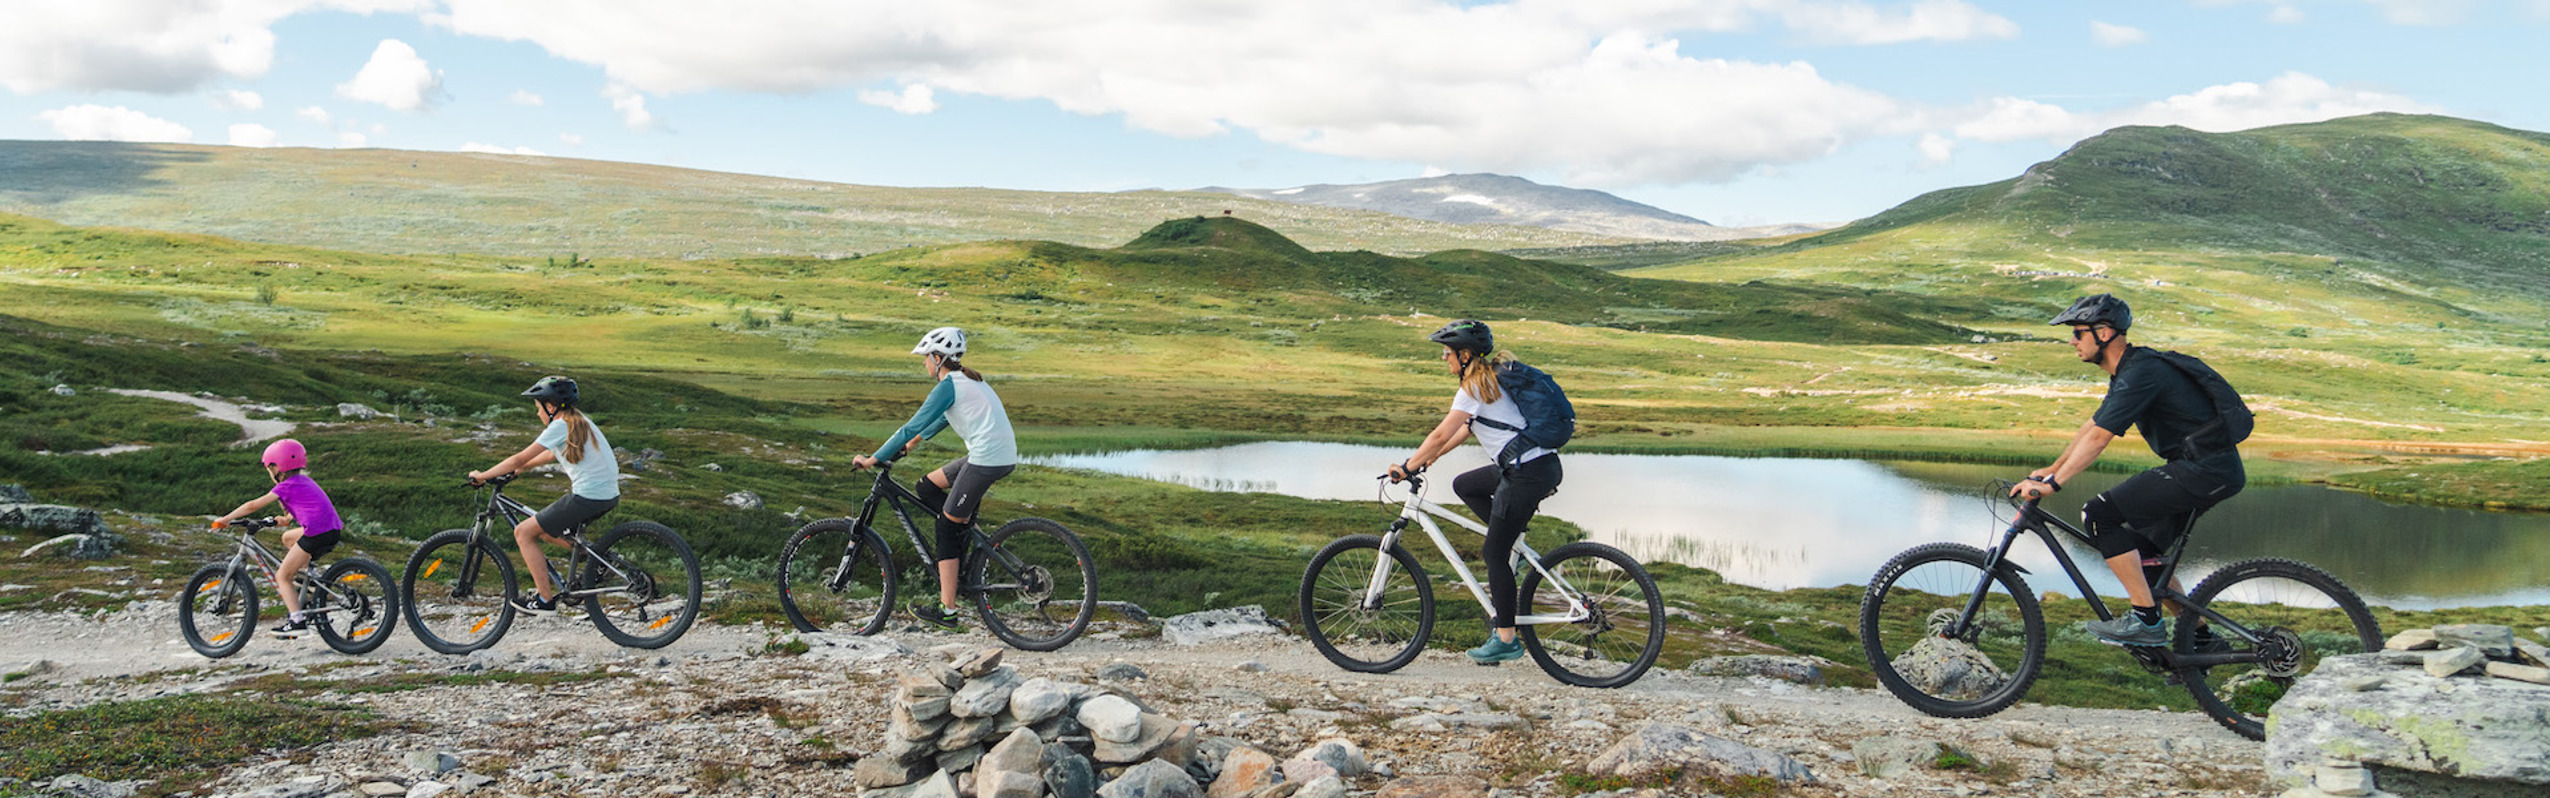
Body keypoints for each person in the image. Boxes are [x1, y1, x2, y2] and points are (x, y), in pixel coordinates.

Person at [2011, 294, 2244, 647]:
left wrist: (2056, 485)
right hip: (2205, 470)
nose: (2072, 342)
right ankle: (2201, 639)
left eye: (2077, 333)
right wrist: (2052, 469)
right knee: (2142, 554)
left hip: (2204, 471)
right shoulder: (2130, 371)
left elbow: (2101, 438)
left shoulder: (2142, 373)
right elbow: (2093, 425)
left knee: (2097, 513)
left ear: (2103, 333)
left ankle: (2146, 622)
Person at [1386, 319, 1563, 665]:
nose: (1443, 358)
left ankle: (1506, 639)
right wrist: (1427, 461)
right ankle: (1509, 535)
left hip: (1525, 474)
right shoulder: (1489, 382)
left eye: (1447, 353)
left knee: (1493, 554)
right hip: (1535, 467)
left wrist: (1408, 466)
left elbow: (1439, 433)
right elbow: (1463, 432)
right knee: (1465, 485)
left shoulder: (1473, 389)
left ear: (1465, 355)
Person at [852, 327, 1018, 633]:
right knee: (926, 487)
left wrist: (873, 459)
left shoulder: (948, 385)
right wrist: (913, 444)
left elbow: (909, 425)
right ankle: (964, 529)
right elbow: (942, 418)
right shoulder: (967, 379)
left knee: (944, 525)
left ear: (938, 358)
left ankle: (948, 612)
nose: (924, 364)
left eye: (926, 359)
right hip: (995, 454)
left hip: (987, 458)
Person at [467, 376, 619, 616]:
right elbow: (551, 455)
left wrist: (484, 475)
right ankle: (599, 560)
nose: (537, 414)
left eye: (538, 408)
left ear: (551, 407)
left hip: (587, 495)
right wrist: (523, 469)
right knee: (546, 530)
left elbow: (519, 456)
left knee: (524, 532)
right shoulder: (580, 422)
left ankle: (544, 600)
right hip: (607, 495)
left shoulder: (559, 425)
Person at [212, 438, 343, 639]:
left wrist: (226, 519)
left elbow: (252, 506)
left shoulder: (285, 486)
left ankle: (297, 621)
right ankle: (308, 580)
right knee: (288, 538)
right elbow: (308, 505)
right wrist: (286, 519)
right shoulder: (304, 481)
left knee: (282, 576)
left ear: (277, 467)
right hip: (330, 530)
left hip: (316, 532)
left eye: (269, 468)